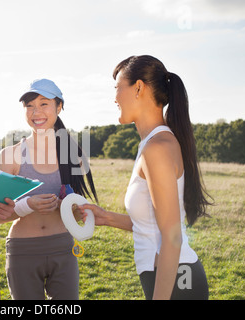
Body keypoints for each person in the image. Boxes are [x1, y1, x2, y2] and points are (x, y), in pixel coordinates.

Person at [80, 55, 212, 300]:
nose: (115, 98)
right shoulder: (152, 144)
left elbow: (171, 238)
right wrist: (106, 218)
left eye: (118, 88)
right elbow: (153, 225)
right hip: (172, 278)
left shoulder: (157, 148)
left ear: (138, 87)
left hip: (177, 283)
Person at [0, 79, 98, 300]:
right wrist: (29, 205)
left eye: (44, 104)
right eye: (29, 105)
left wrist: (68, 206)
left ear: (59, 107)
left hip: (63, 248)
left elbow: (78, 213)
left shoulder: (72, 155)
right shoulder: (10, 155)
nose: (36, 112)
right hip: (23, 249)